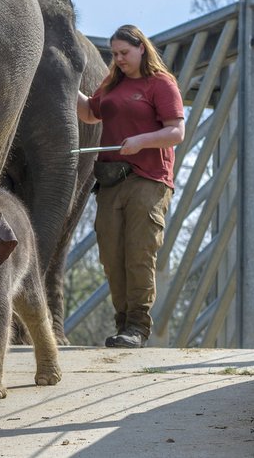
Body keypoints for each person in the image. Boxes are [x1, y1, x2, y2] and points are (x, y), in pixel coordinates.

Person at [76, 24, 185, 349]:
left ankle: (137, 326)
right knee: (111, 254)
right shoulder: (113, 84)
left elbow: (176, 131)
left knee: (139, 252)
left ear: (142, 49)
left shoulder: (160, 84)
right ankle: (122, 323)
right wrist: (69, 84)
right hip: (111, 178)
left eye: (124, 52)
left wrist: (141, 141)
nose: (119, 59)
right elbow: (90, 115)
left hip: (149, 178)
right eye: (114, 54)